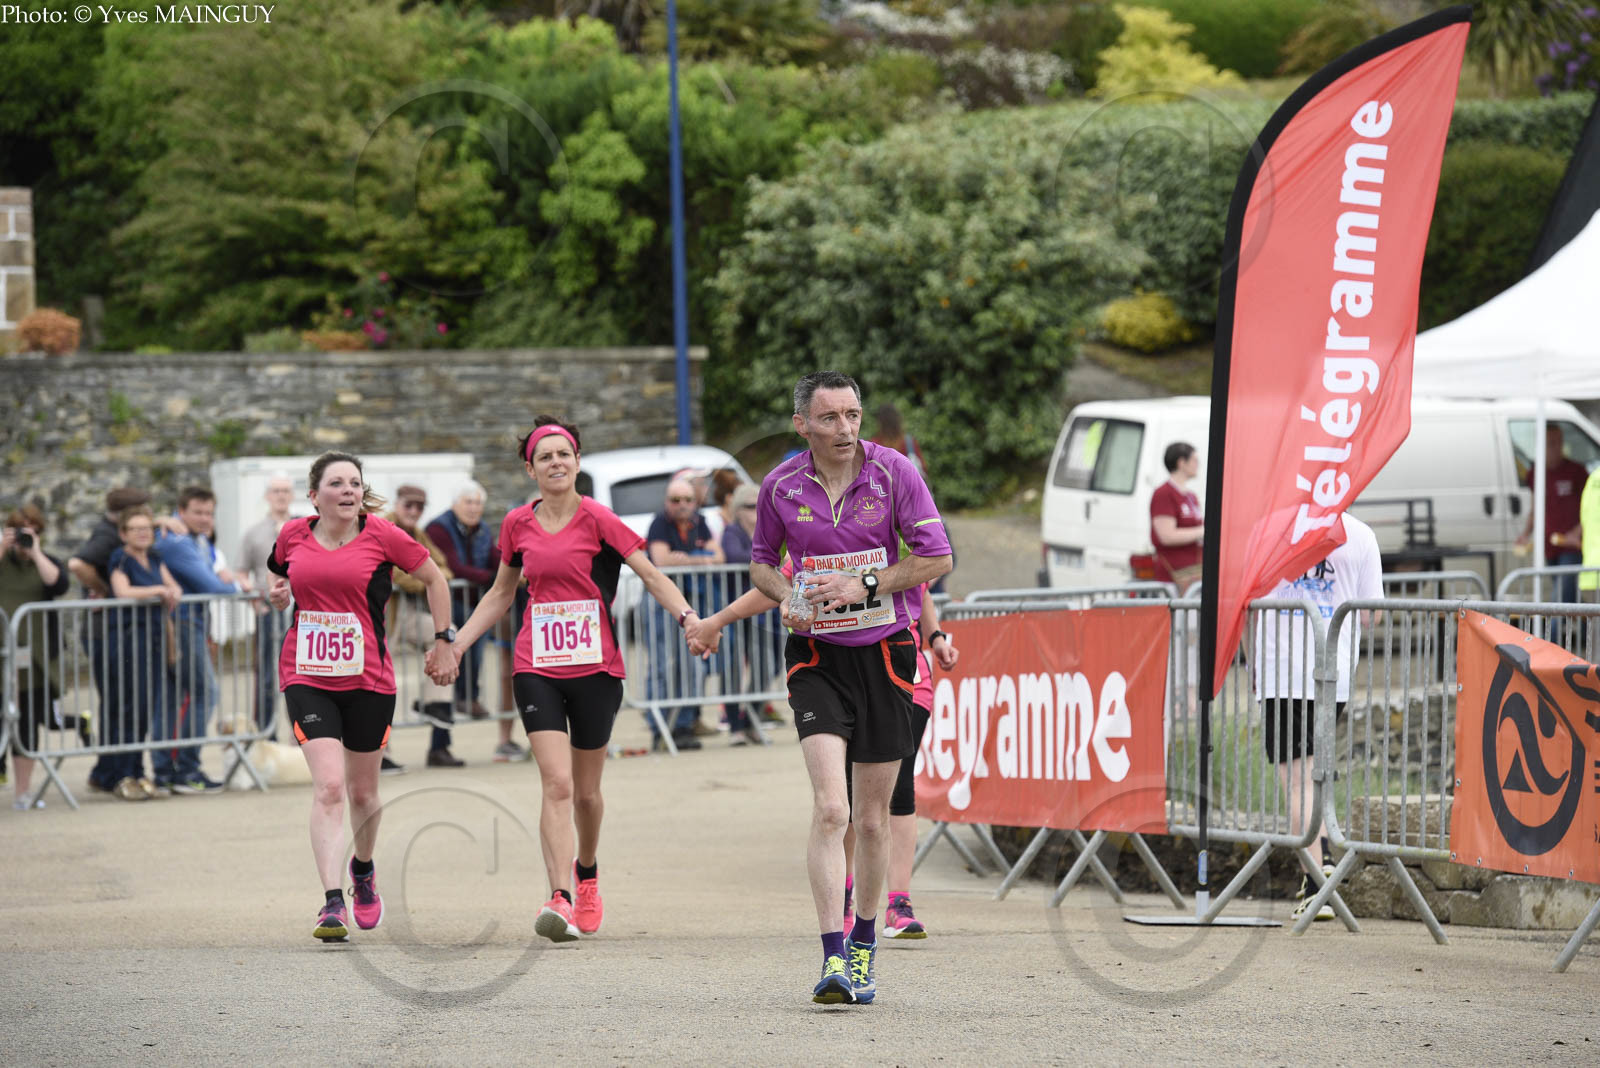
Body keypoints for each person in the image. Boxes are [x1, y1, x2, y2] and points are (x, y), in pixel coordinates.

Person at [429, 416, 709, 943]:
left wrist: (689, 619)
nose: (556, 462)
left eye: (564, 454)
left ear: (577, 461)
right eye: (545, 456)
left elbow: (651, 574)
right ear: (530, 469)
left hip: (597, 670)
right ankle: (558, 896)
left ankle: (587, 873)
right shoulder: (517, 523)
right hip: (536, 666)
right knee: (556, 783)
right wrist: (457, 642)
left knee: (586, 794)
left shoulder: (599, 518)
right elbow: (500, 593)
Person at [749, 370, 951, 1005]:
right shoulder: (780, 486)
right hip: (816, 658)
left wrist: (865, 585)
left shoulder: (894, 473)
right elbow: (762, 564)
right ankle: (832, 956)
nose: (845, 429)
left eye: (853, 415)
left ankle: (864, 944)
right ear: (802, 424)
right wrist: (788, 596)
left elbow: (936, 556)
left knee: (870, 820)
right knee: (831, 809)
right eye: (830, 417)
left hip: (885, 655)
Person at [266, 451, 456, 942]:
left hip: (369, 680)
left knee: (363, 793)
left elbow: (435, 579)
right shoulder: (293, 534)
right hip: (306, 675)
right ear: (315, 496)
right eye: (337, 483)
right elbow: (276, 569)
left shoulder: (383, 535)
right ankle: (332, 903)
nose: (348, 490)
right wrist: (278, 591)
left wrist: (443, 640)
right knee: (330, 786)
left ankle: (364, 871)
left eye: (355, 483)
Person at [1255, 511, 1382, 921]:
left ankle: (1317, 877)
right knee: (1313, 773)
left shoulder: (1273, 526)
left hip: (1283, 670)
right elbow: (1371, 614)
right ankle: (1318, 868)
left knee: (1297, 780)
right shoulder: (1361, 534)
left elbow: (1244, 597)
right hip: (1333, 669)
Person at [152, 487, 243, 795]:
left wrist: (226, 579)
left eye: (209, 513)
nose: (205, 519)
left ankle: (166, 771)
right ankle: (186, 769)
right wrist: (239, 586)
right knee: (205, 692)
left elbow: (213, 575)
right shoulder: (176, 542)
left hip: (189, 623)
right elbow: (211, 586)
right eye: (198, 512)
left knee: (173, 697)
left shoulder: (196, 539)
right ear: (181, 511)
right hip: (183, 624)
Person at [67, 487, 152, 795]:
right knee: (121, 703)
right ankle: (114, 772)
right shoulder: (107, 537)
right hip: (106, 631)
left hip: (116, 631)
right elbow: (77, 564)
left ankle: (110, 770)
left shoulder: (114, 532)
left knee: (122, 703)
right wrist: (104, 590)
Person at [106, 506, 183, 802]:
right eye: (136, 529)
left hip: (154, 639)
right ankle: (123, 773)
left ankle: (138, 771)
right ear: (123, 533)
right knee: (129, 708)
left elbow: (173, 587)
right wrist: (158, 591)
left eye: (147, 528)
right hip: (129, 639)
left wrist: (169, 591)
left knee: (145, 708)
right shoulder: (120, 558)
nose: (142, 533)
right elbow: (122, 591)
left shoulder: (154, 557)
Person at [644, 476, 725, 749]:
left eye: (688, 500)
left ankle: (684, 724)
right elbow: (661, 560)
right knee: (663, 665)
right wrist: (700, 557)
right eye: (676, 500)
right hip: (660, 605)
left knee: (691, 665)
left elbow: (719, 557)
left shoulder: (699, 522)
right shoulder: (659, 523)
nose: (682, 505)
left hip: (692, 602)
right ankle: (659, 727)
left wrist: (686, 558)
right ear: (666, 502)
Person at [0, 506, 71, 809]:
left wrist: (37, 552)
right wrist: (3, 547)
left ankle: (23, 792)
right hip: (2, 653)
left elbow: (59, 585)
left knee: (27, 722)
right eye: (19, 530)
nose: (24, 538)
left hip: (34, 657)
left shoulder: (46, 560)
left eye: (31, 530)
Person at [386, 484, 458, 770]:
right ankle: (378, 754)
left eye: (419, 507)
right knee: (378, 685)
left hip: (406, 615)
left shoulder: (417, 534)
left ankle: (434, 705)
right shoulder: (384, 527)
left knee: (448, 634)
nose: (414, 511)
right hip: (382, 616)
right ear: (397, 503)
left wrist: (432, 578)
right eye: (409, 505)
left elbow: (442, 565)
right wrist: (427, 580)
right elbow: (396, 574)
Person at [427, 483, 500, 724]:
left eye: (478, 503)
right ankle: (454, 699)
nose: (474, 508)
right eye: (468, 502)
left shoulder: (482, 529)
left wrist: (508, 573)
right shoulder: (438, 529)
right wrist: (491, 578)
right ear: (455, 504)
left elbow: (495, 558)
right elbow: (453, 566)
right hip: (448, 603)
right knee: (450, 653)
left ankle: (469, 696)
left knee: (475, 653)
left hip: (474, 601)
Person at [237, 475, 295, 740]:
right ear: (268, 496)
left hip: (301, 611)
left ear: (291, 495)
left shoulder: (305, 526)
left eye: (285, 491)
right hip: (269, 612)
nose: (281, 495)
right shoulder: (254, 533)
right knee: (267, 676)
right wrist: (252, 597)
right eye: (276, 491)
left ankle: (303, 736)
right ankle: (265, 737)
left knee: (301, 674)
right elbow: (241, 572)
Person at [1516, 423, 1586, 603]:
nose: (1556, 447)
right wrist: (1525, 534)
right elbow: (1535, 509)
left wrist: (1576, 533)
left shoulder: (1576, 471)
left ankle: (1555, 624)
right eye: (1551, 443)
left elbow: (1589, 509)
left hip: (1571, 546)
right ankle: (1586, 619)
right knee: (1568, 597)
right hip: (1549, 545)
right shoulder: (1536, 473)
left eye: (1559, 442)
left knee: (1559, 597)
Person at [1151, 441, 1204, 593]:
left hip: (1193, 574)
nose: (1198, 464)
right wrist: (1202, 532)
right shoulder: (1164, 493)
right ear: (1181, 463)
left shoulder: (1191, 496)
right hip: (1172, 579)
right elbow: (1167, 536)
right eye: (1194, 460)